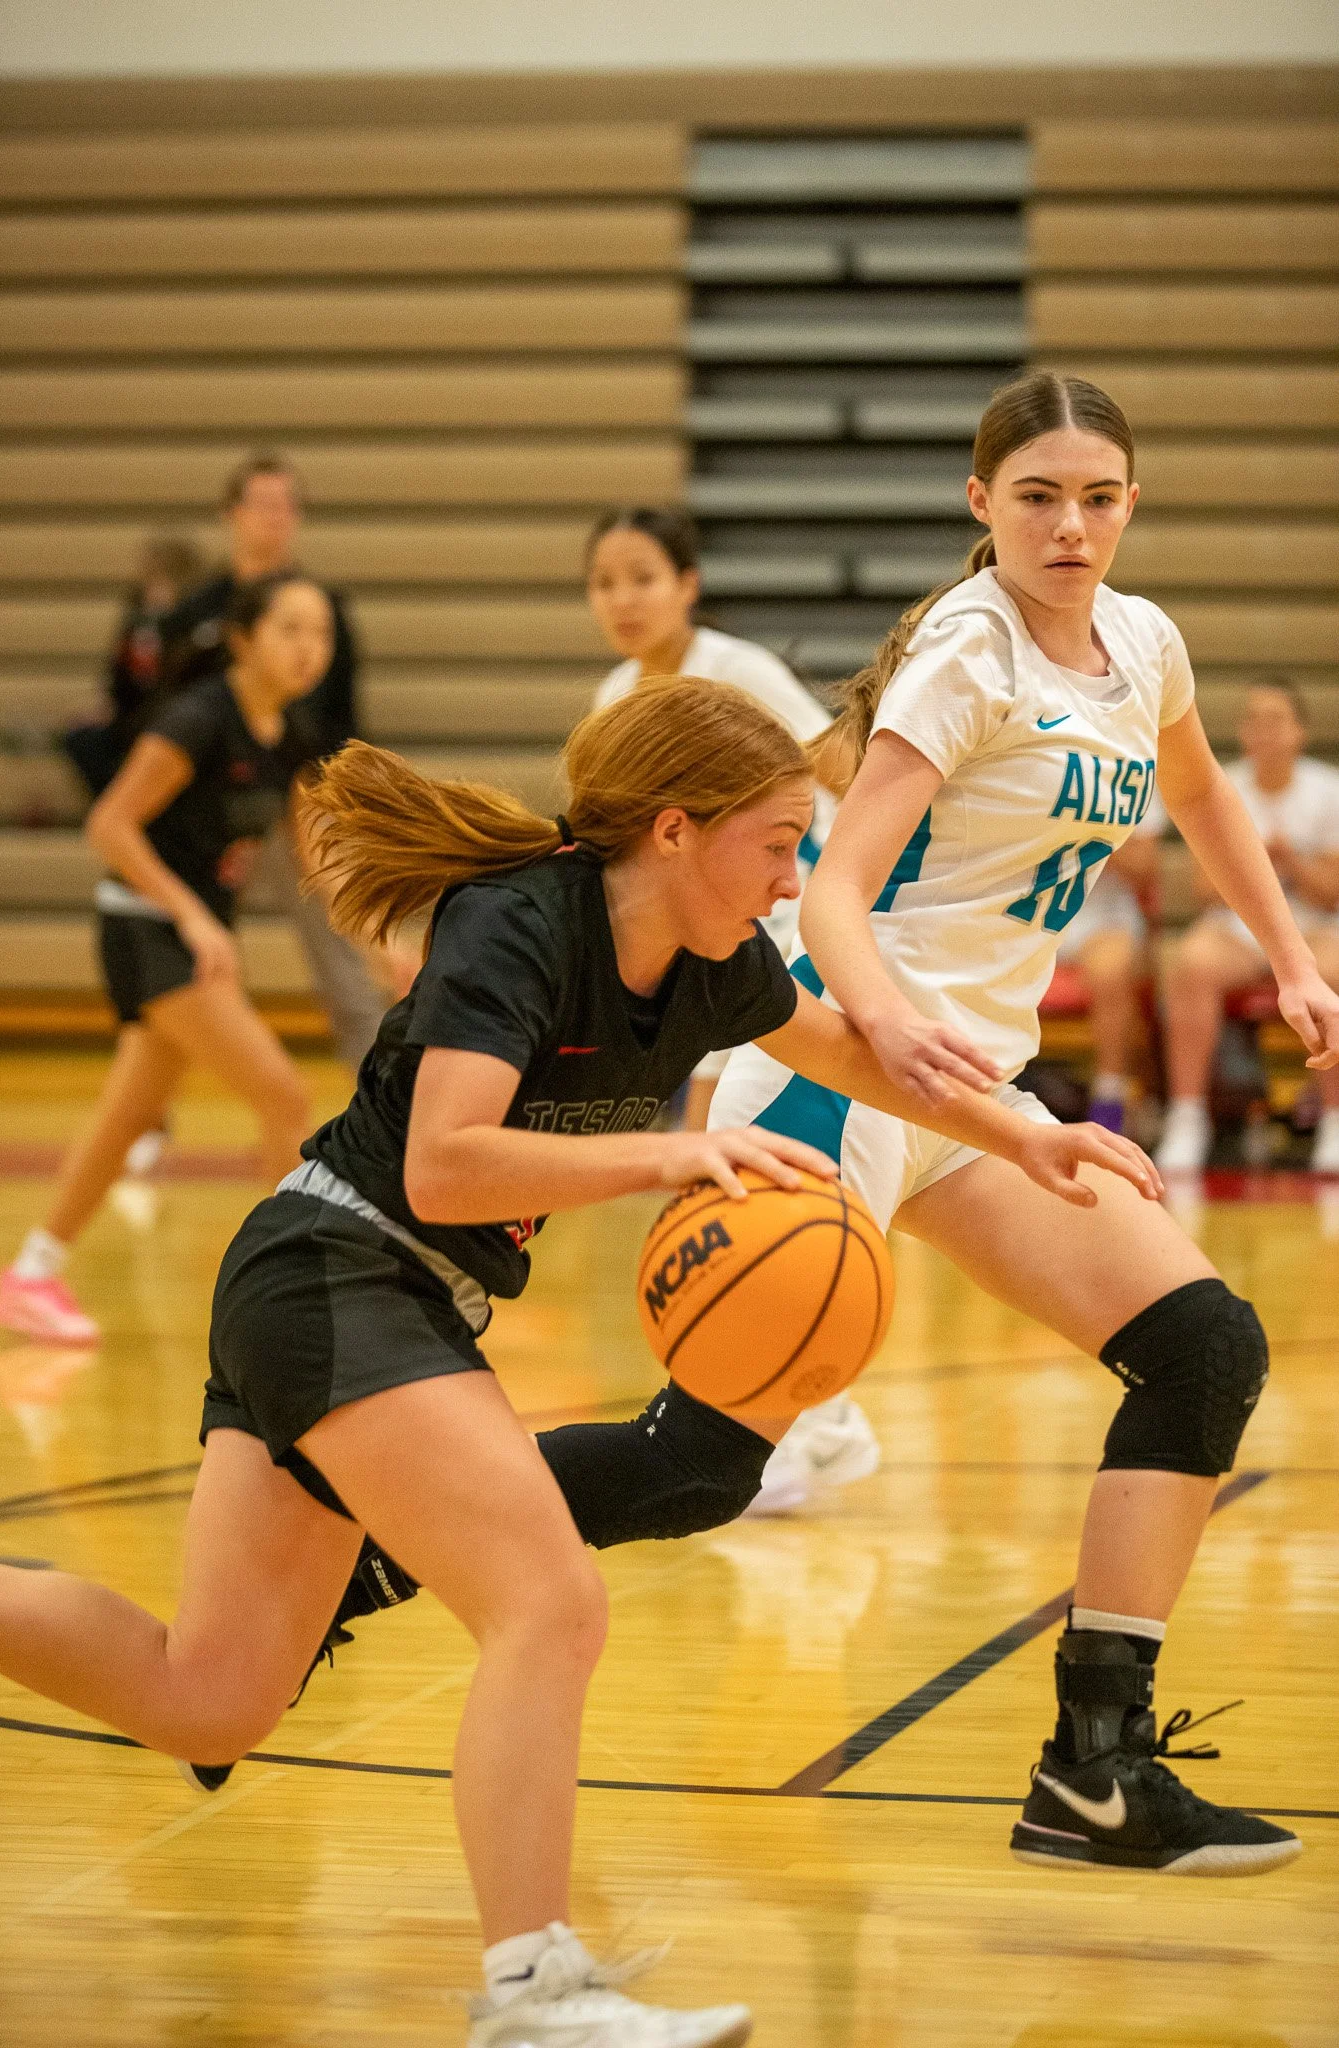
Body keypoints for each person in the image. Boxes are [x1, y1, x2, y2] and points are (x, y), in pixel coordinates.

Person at [0, 683, 1161, 2048]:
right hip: (339, 1269)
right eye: (777, 843)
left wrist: (1029, 1137)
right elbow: (444, 1161)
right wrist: (667, 1153)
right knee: (549, 1601)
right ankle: (533, 1990)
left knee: (212, 1696)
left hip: (359, 1289)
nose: (796, 876)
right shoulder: (519, 925)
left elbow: (852, 1055)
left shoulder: (717, 962)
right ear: (675, 831)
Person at [705, 371, 1325, 1875]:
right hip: (839, 1065)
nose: (1070, 524)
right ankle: (385, 1530)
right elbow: (835, 889)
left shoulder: (1143, 642)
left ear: (1129, 503)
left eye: (1098, 496)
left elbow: (1198, 795)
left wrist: (1295, 957)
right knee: (709, 1462)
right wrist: (888, 1032)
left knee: (1201, 1347)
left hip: (975, 1090)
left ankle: (1093, 1773)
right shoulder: (962, 653)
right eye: (1037, 495)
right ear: (980, 505)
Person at [587, 506, 870, 1514]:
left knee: (739, 1160)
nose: (623, 598)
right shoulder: (617, 694)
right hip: (712, 939)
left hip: (791, 921)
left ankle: (794, 1418)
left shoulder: (737, 669)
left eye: (642, 577)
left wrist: (844, 888)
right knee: (725, 1162)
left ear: (689, 584)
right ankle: (810, 1409)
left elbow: (837, 764)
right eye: (606, 580)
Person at [0, 573, 329, 1346]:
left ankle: (32, 1274)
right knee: (280, 1095)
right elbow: (110, 827)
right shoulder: (198, 721)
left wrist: (389, 949)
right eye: (291, 630)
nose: (309, 649)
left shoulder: (290, 734)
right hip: (145, 928)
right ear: (243, 639)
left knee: (130, 1112)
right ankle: (287, 1294)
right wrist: (192, 918)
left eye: (320, 634)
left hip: (191, 934)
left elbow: (317, 865)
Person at [159, 452, 387, 1071]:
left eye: (287, 505)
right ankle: (150, 1111)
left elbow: (343, 726)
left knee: (343, 952)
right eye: (262, 504)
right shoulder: (195, 618)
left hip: (293, 804)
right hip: (203, 820)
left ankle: (378, 1093)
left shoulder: (325, 605)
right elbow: (152, 722)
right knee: (189, 969)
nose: (275, 519)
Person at [1156, 679, 1339, 1173]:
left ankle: (1334, 1117)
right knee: (1189, 963)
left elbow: (1332, 892)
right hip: (1235, 927)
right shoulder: (1219, 784)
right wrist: (1250, 864)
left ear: (1299, 732)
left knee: (1333, 972)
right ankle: (1188, 1115)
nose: (1263, 730)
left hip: (1312, 925)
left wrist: (1292, 861)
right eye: (1253, 719)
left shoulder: (1328, 790)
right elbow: (1201, 889)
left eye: (1275, 719)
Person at [1051, 791, 1165, 1133]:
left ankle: (1109, 1097)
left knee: (1112, 971)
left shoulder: (1130, 772)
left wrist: (1091, 842)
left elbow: (1145, 869)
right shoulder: (1025, 762)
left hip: (1101, 919)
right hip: (1028, 909)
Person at [62, 533, 205, 800]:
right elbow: (118, 677)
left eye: (162, 579)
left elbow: (192, 683)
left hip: (174, 719)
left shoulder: (195, 627)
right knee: (82, 739)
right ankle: (121, 807)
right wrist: (107, 708)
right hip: (132, 720)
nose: (153, 587)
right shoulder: (136, 621)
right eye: (150, 579)